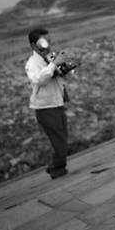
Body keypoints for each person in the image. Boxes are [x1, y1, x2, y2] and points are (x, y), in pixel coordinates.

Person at [25, 28, 76, 179]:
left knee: (62, 138)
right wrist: (54, 65)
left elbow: (64, 75)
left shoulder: (50, 56)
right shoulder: (32, 63)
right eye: (43, 41)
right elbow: (38, 79)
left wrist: (67, 68)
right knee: (60, 141)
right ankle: (56, 168)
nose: (47, 44)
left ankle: (55, 166)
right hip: (45, 107)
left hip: (57, 103)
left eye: (49, 40)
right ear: (34, 45)